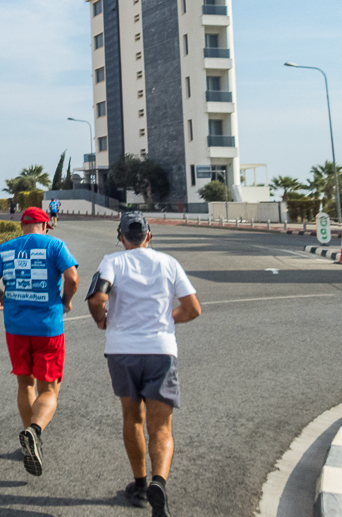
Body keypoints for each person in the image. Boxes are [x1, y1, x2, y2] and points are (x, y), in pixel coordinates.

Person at [85, 212, 201, 517]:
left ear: (121, 237)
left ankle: (138, 484)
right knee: (161, 426)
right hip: (160, 351)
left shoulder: (112, 261)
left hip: (122, 351)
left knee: (132, 418)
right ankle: (159, 482)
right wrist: (168, 319)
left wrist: (102, 321)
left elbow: (97, 299)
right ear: (149, 236)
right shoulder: (169, 263)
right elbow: (192, 308)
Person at [0, 206, 79, 477]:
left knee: (24, 382)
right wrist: (66, 301)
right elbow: (72, 277)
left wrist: (1, 296)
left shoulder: (5, 248)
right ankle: (34, 431)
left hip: (15, 327)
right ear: (46, 225)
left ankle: (30, 441)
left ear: (22, 225)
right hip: (47, 327)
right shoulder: (55, 245)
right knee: (49, 389)